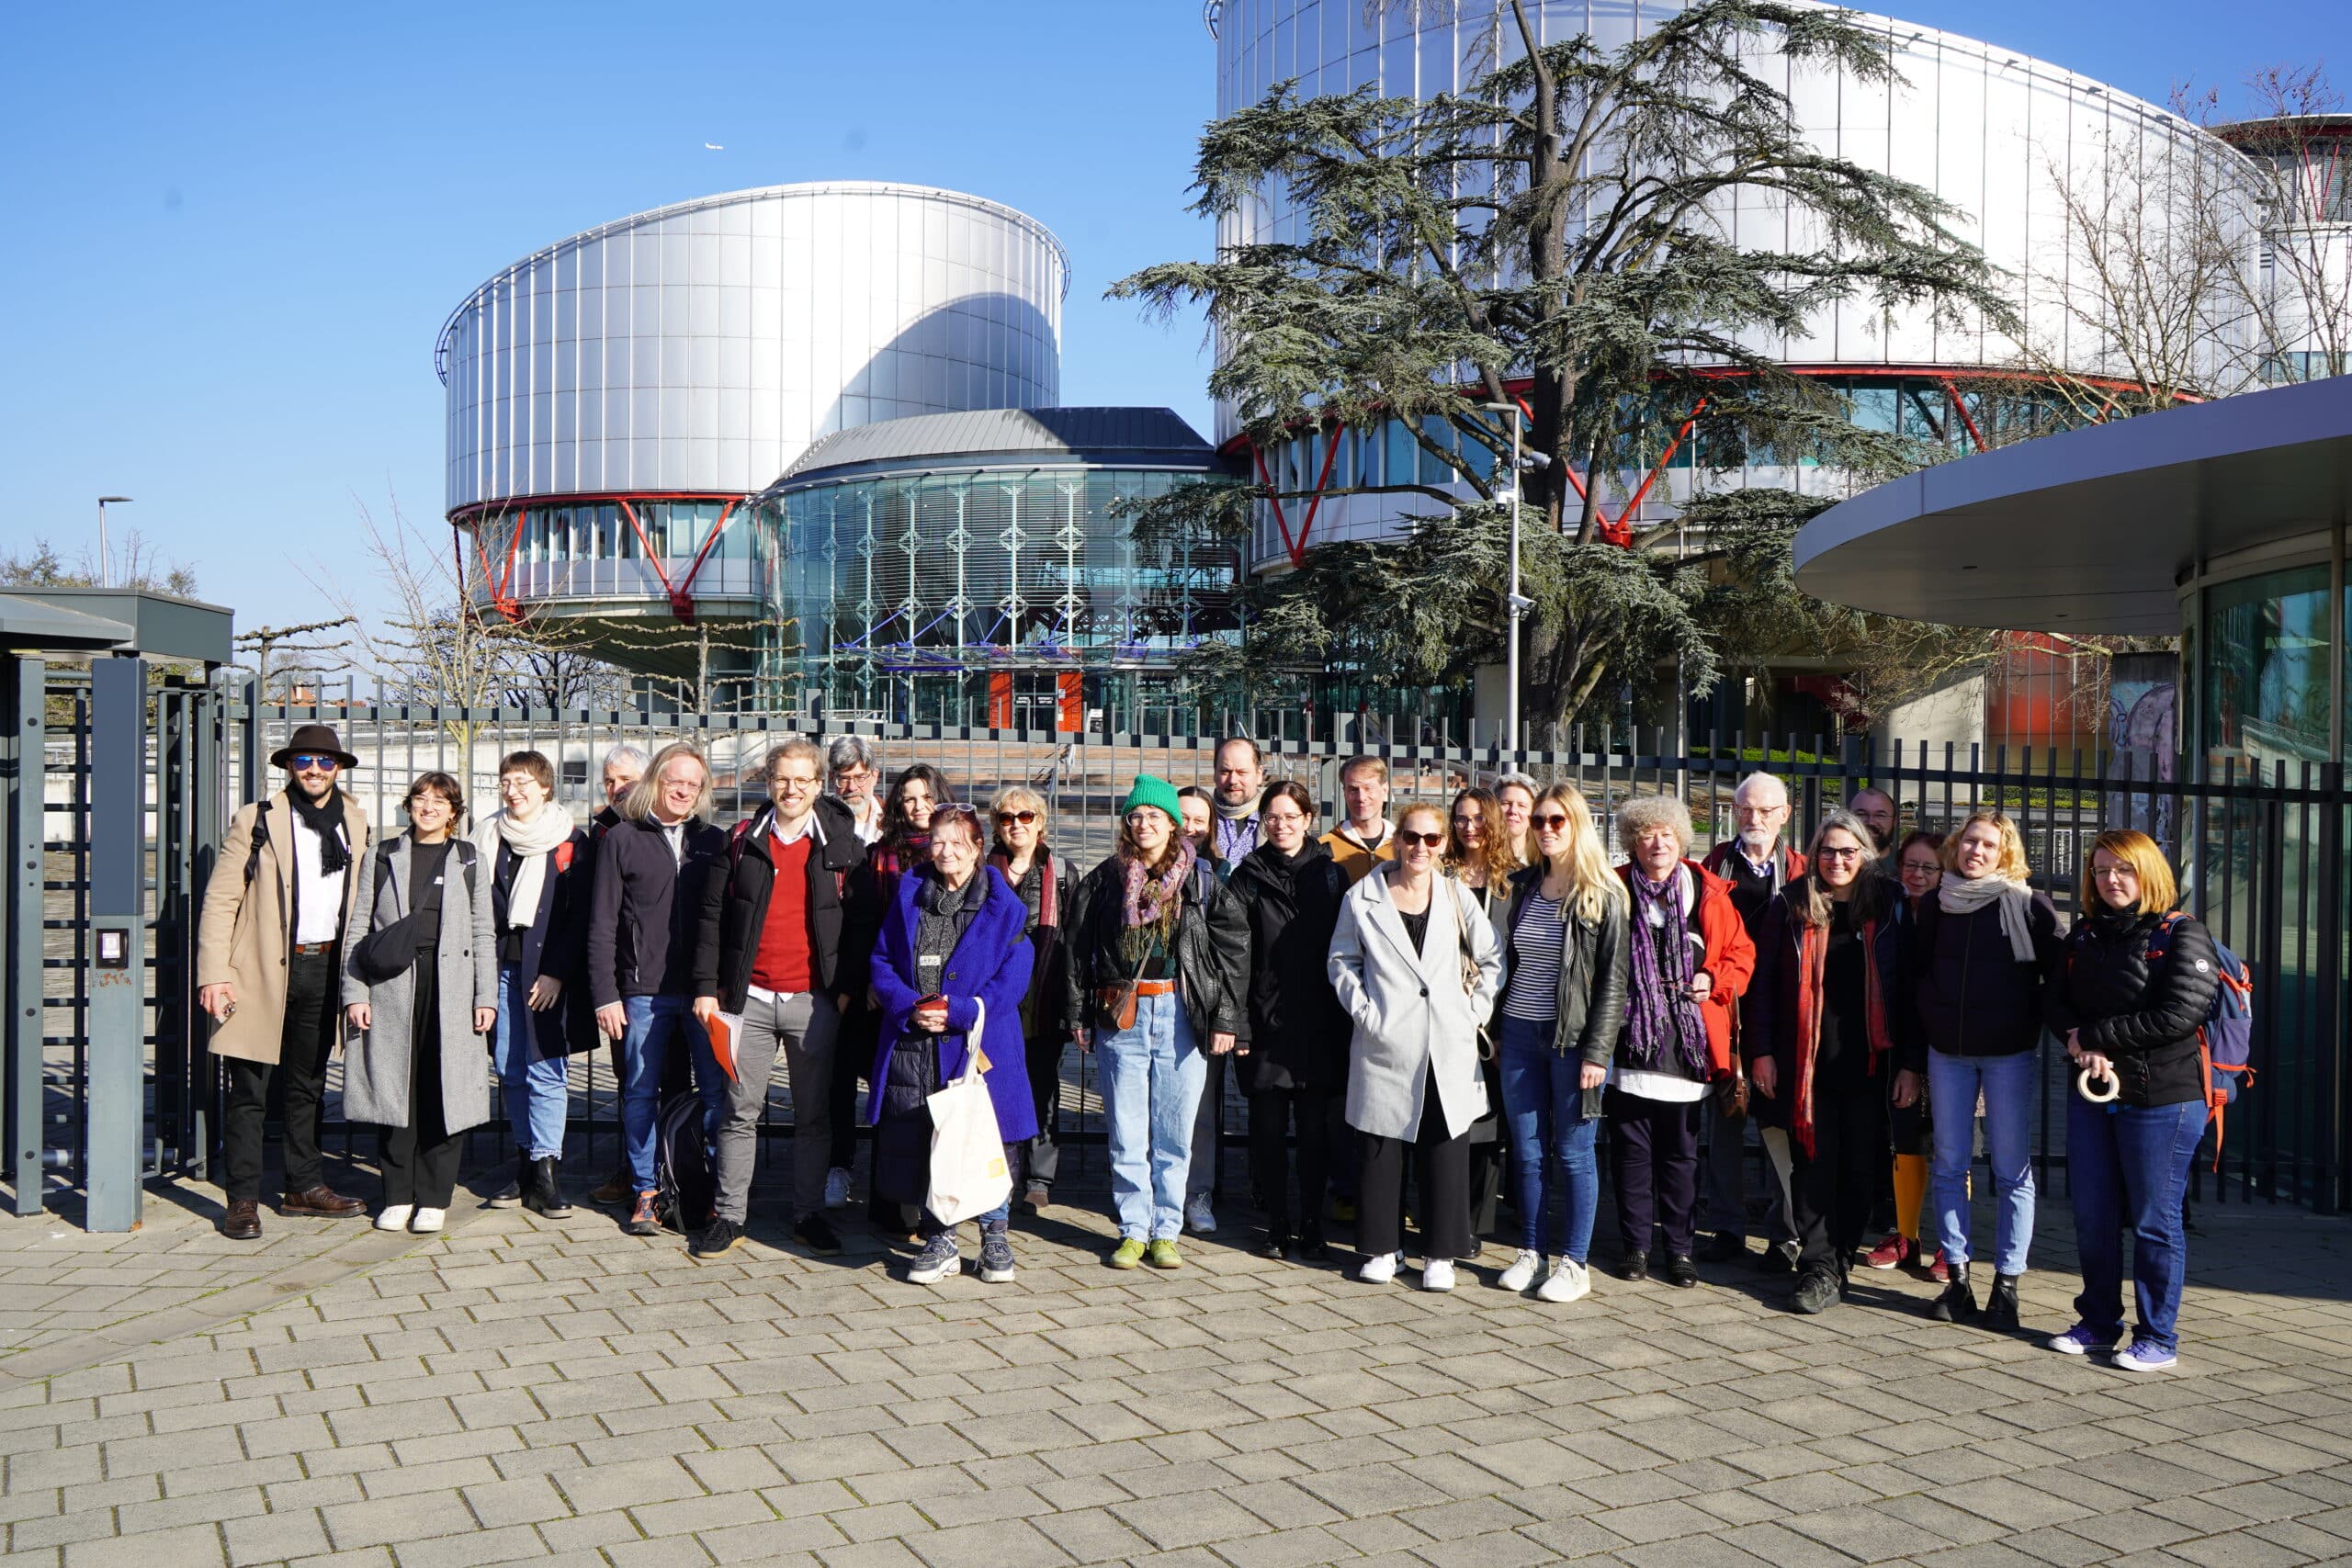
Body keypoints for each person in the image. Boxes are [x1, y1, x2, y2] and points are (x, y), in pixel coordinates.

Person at [2044, 829, 2220, 1372]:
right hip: (2094, 1091)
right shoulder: (2085, 936)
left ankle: (2158, 1337)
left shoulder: (2183, 934)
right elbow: (2054, 1000)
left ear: (2148, 872)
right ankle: (2098, 1322)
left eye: (2122, 869)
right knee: (2093, 1216)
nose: (2110, 880)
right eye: (2100, 871)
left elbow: (2180, 1015)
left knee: (2153, 1220)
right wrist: (2079, 1041)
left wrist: (2098, 1037)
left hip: (2164, 1098)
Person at [690, 739, 866, 1260]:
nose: (791, 790)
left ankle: (807, 1213)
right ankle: (729, 1216)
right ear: (769, 783)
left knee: (813, 1116)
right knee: (739, 1111)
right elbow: (710, 920)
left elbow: (859, 926)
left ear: (818, 785)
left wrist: (847, 991)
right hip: (750, 1001)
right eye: (782, 780)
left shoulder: (843, 846)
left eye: (802, 780)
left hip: (814, 1002)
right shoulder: (741, 841)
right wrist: (705, 989)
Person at [196, 724, 374, 1239]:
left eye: (324, 762)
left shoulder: (355, 821)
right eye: (303, 762)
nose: (314, 770)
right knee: (250, 1090)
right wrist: (214, 973)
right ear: (289, 767)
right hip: (260, 970)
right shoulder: (257, 820)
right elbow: (221, 900)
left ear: (337, 768)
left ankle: (303, 1186)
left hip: (325, 967)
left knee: (308, 1086)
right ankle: (244, 1200)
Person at [1064, 774, 1249, 1269]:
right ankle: (1132, 1228)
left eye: (1155, 816)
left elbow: (1232, 951)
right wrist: (1078, 1012)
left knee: (1174, 1129)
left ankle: (1167, 1228)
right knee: (1126, 1128)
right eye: (1136, 815)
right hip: (1119, 1014)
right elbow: (1078, 951)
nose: (1144, 824)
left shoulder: (1203, 878)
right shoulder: (1104, 879)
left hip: (1182, 1012)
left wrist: (1227, 1017)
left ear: (1173, 824)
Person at [1897, 808, 2062, 1329]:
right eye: (1969, 842)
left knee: (2011, 1169)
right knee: (1949, 1164)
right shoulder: (1937, 905)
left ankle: (2007, 1284)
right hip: (1947, 1053)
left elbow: (2056, 977)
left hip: (2008, 1053)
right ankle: (1959, 1279)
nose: (1976, 852)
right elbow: (1917, 977)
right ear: (1956, 846)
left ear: (2005, 852)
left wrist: (2035, 1022)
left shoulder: (2028, 905)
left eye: (1989, 845)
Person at [1328, 801, 1502, 1291]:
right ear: (1397, 839)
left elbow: (1491, 958)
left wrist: (1474, 1013)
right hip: (1386, 1039)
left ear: (1444, 844)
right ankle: (1383, 1248)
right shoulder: (1364, 895)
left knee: (1444, 1144)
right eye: (1410, 837)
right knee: (1381, 1143)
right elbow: (1341, 961)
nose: (1419, 847)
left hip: (1447, 1040)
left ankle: (1440, 1253)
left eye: (1431, 839)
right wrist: (1366, 1012)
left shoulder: (1456, 895)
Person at [867, 804, 1036, 1285]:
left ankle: (995, 1235)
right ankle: (941, 1237)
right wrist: (907, 1004)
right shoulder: (909, 896)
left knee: (987, 1138)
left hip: (980, 1042)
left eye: (957, 844)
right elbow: (881, 962)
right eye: (937, 842)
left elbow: (1013, 978)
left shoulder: (1005, 907)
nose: (946, 852)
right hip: (918, 1040)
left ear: (979, 848)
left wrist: (961, 1011)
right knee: (931, 1136)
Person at [1744, 812, 1904, 1314]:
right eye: (1828, 852)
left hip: (1870, 1064)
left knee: (1860, 1171)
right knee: (1812, 1167)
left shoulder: (1891, 904)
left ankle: (1839, 1261)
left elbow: (1910, 984)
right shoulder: (1790, 905)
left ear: (1865, 854)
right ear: (1814, 856)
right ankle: (1817, 1266)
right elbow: (1762, 986)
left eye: (1848, 852)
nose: (1838, 861)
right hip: (1804, 1066)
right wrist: (1761, 1053)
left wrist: (1910, 1065)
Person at [340, 773, 497, 1235]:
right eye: (420, 799)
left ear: (454, 812)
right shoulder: (382, 855)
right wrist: (355, 992)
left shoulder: (470, 859)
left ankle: (433, 1197)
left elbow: (483, 932)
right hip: (392, 985)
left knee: (441, 1090)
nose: (428, 807)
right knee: (395, 1091)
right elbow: (360, 928)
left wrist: (484, 995)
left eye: (440, 801)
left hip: (452, 987)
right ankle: (396, 1195)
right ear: (408, 806)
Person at [1609, 795, 1755, 1287]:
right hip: (1629, 1039)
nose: (1657, 843)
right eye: (1647, 835)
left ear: (1680, 839)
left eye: (1666, 834)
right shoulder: (1615, 888)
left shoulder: (1705, 891)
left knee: (1681, 1156)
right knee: (1631, 1154)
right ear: (1632, 841)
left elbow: (1740, 953)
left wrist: (1713, 978)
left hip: (1689, 1045)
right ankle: (1635, 1248)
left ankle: (1680, 1250)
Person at [1489, 784, 1627, 1303]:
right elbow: (1511, 964)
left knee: (1573, 1152)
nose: (1545, 829)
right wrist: (1500, 1029)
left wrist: (1598, 1051)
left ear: (1577, 825)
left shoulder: (1604, 893)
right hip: (1520, 1035)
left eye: (1556, 821)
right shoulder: (1524, 884)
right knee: (1525, 1153)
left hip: (1573, 1043)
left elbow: (1615, 982)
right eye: (1540, 820)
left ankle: (1575, 1262)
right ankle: (1531, 1250)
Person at [586, 742, 729, 1238]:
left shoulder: (714, 841)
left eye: (694, 784)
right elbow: (602, 923)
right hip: (641, 991)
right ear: (656, 782)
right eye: (676, 781)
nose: (685, 791)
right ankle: (646, 1190)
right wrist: (605, 993)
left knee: (714, 1093)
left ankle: (704, 1189)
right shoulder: (622, 838)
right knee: (641, 1092)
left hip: (701, 993)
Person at [1227, 781, 1350, 1261]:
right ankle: (1277, 1223)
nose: (1281, 825)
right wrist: (1238, 1021)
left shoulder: (1331, 876)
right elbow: (1232, 955)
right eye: (1272, 817)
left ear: (1308, 820)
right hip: (1265, 1022)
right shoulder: (1247, 876)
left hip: (1321, 1021)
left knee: (1317, 1132)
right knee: (1268, 1130)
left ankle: (1312, 1223)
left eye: (1290, 816)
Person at [474, 750, 592, 1218]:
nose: (512, 790)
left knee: (545, 1069)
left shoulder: (569, 839)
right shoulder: (487, 836)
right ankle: (525, 1162)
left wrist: (557, 972)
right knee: (509, 1066)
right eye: (506, 781)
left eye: (523, 782)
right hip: (500, 968)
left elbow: (579, 914)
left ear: (545, 787)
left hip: (546, 974)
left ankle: (547, 1171)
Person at [1696, 773, 1803, 1272]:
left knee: (1784, 1124)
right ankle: (1726, 1226)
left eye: (1764, 810)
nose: (1753, 819)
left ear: (1785, 813)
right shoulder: (1713, 864)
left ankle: (1787, 1234)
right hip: (1727, 1008)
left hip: (1784, 1013)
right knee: (1725, 1121)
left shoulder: (1802, 869)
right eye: (1744, 809)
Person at [841, 763, 953, 1229]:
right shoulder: (881, 856)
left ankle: (940, 1200)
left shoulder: (960, 849)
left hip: (944, 995)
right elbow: (865, 923)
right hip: (890, 992)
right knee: (895, 1096)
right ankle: (892, 1203)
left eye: (926, 796)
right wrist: (872, 981)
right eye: (908, 798)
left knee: (941, 1098)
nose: (918, 806)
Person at [986, 784, 1080, 1213]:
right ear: (996, 826)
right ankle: (1000, 1173)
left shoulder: (1063, 873)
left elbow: (1075, 940)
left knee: (1042, 1087)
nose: (1016, 825)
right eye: (1007, 818)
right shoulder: (983, 869)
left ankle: (1039, 1178)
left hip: (1046, 996)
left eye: (1026, 817)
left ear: (1040, 823)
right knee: (995, 1088)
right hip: (994, 997)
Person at [1862, 830, 1948, 1280]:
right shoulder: (1889, 911)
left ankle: (1953, 1244)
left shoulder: (1955, 913)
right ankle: (1907, 1235)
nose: (1916, 875)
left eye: (1928, 868)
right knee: (1907, 1140)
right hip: (1902, 1044)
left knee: (1954, 1148)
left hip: (1953, 1047)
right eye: (1910, 866)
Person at [1447, 786, 1519, 1240]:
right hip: (1447, 1011)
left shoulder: (1516, 880)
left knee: (1486, 1121)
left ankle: (1475, 1223)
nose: (1469, 827)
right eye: (1460, 818)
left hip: (1498, 1013)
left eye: (1477, 818)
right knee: (1447, 1118)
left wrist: (1503, 1026)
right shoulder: (1440, 873)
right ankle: (1445, 1214)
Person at [587, 743, 650, 1207]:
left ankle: (677, 1163)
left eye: (623, 780)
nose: (615, 789)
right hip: (623, 978)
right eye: (608, 781)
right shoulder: (602, 832)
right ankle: (633, 1170)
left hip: (669, 979)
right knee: (630, 1080)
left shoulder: (667, 827)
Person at [1320, 757, 1396, 884]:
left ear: (1385, 790)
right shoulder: (1324, 848)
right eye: (1353, 789)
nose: (1361, 797)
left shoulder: (1406, 845)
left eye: (1368, 788)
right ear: (1344, 793)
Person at [1210, 737, 1268, 866]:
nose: (1233, 780)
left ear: (1259, 774)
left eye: (1242, 772)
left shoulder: (1276, 821)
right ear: (1215, 773)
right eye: (1225, 772)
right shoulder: (1199, 819)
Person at [828, 736, 885, 845]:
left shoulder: (895, 819)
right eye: (844, 778)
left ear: (874, 777)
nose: (852, 787)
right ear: (831, 778)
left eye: (860, 778)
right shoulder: (820, 822)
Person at [1494, 773, 1539, 871]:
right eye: (1506, 803)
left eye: (1522, 805)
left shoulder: (1542, 860)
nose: (1513, 811)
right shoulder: (1479, 857)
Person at [1849, 788, 1898, 852]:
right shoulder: (1835, 860)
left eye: (1880, 815)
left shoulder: (1905, 860)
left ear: (1894, 821)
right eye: (1861, 814)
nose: (1871, 822)